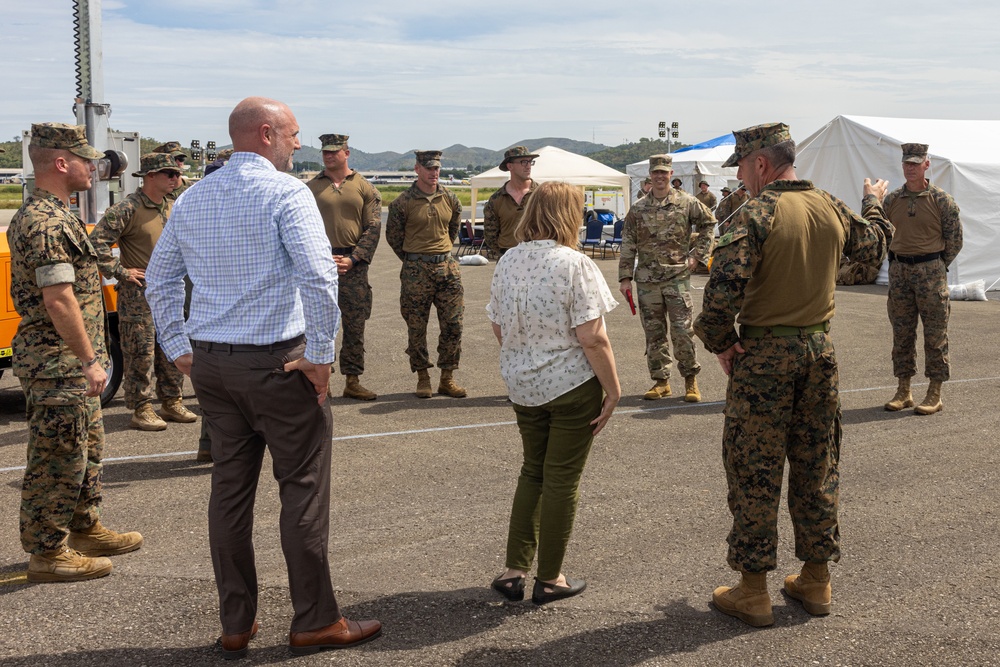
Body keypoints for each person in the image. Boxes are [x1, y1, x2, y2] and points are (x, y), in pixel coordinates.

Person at [145, 97, 381, 658]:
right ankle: (315, 621)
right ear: (268, 132)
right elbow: (320, 276)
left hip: (213, 365)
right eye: (294, 134)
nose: (299, 144)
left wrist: (180, 350)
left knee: (229, 492)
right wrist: (322, 355)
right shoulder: (286, 192)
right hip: (277, 361)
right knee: (301, 489)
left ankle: (236, 623)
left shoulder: (194, 197)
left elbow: (158, 281)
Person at [693, 122, 894, 627]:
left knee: (754, 469)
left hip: (764, 359)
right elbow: (871, 252)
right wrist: (872, 203)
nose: (739, 177)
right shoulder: (828, 204)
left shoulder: (755, 214)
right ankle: (816, 579)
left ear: (760, 163)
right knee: (817, 462)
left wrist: (721, 343)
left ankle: (754, 590)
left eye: (740, 166)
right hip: (819, 352)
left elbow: (719, 298)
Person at [8, 123, 143, 583]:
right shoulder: (45, 222)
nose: (95, 167)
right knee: (58, 457)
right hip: (57, 363)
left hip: (71, 363)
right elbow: (59, 299)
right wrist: (89, 360)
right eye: (86, 159)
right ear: (61, 163)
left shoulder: (58, 213)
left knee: (87, 450)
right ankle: (48, 552)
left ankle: (84, 528)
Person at [487, 181, 621, 606]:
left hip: (523, 385)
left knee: (533, 471)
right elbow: (592, 337)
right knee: (562, 479)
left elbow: (497, 324)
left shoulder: (508, 259)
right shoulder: (574, 264)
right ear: (570, 215)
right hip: (570, 386)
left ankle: (514, 570)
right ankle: (550, 577)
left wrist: (526, 358)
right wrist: (613, 390)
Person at [89, 153, 198, 431]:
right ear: (150, 176)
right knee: (141, 351)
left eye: (176, 174)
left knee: (174, 346)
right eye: (169, 174)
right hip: (140, 293)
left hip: (172, 290)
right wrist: (122, 271)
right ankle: (141, 407)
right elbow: (94, 245)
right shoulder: (127, 209)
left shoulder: (175, 206)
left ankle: (172, 401)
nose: (176, 178)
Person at [618, 154, 715, 402]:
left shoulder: (687, 202)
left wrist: (698, 256)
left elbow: (708, 224)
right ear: (650, 175)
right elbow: (628, 242)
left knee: (683, 331)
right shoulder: (638, 208)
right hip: (648, 281)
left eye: (664, 172)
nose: (660, 177)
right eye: (656, 173)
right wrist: (625, 277)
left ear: (671, 174)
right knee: (654, 333)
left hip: (676, 277)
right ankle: (661, 382)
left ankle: (690, 380)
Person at [881, 143, 962, 415]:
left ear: (927, 164)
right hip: (899, 272)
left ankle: (934, 392)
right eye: (907, 164)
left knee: (935, 335)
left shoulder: (942, 200)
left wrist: (935, 264)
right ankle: (904, 391)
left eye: (916, 163)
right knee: (901, 333)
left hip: (930, 272)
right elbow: (883, 235)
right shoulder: (891, 201)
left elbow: (955, 240)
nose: (910, 168)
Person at [307, 133, 382, 401]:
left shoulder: (365, 187)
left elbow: (373, 227)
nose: (328, 155)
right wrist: (322, 258)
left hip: (354, 265)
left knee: (354, 325)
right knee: (317, 325)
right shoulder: (311, 187)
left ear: (346, 153)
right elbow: (303, 228)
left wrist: (354, 258)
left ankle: (353, 380)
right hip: (320, 263)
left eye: (334, 151)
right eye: (325, 152)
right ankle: (318, 379)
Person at [386, 149, 466, 398]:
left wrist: (439, 255)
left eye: (437, 168)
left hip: (447, 269)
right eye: (429, 168)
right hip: (416, 270)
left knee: (453, 325)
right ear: (417, 169)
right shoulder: (402, 202)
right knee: (416, 326)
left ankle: (447, 378)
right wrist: (415, 259)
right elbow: (394, 238)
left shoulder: (451, 198)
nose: (434, 173)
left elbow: (452, 230)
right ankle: (423, 377)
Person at [483, 146, 538, 259]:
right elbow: (490, 235)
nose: (528, 166)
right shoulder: (496, 199)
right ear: (510, 166)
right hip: (507, 257)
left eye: (530, 162)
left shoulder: (542, 195)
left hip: (537, 257)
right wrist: (505, 254)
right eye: (523, 162)